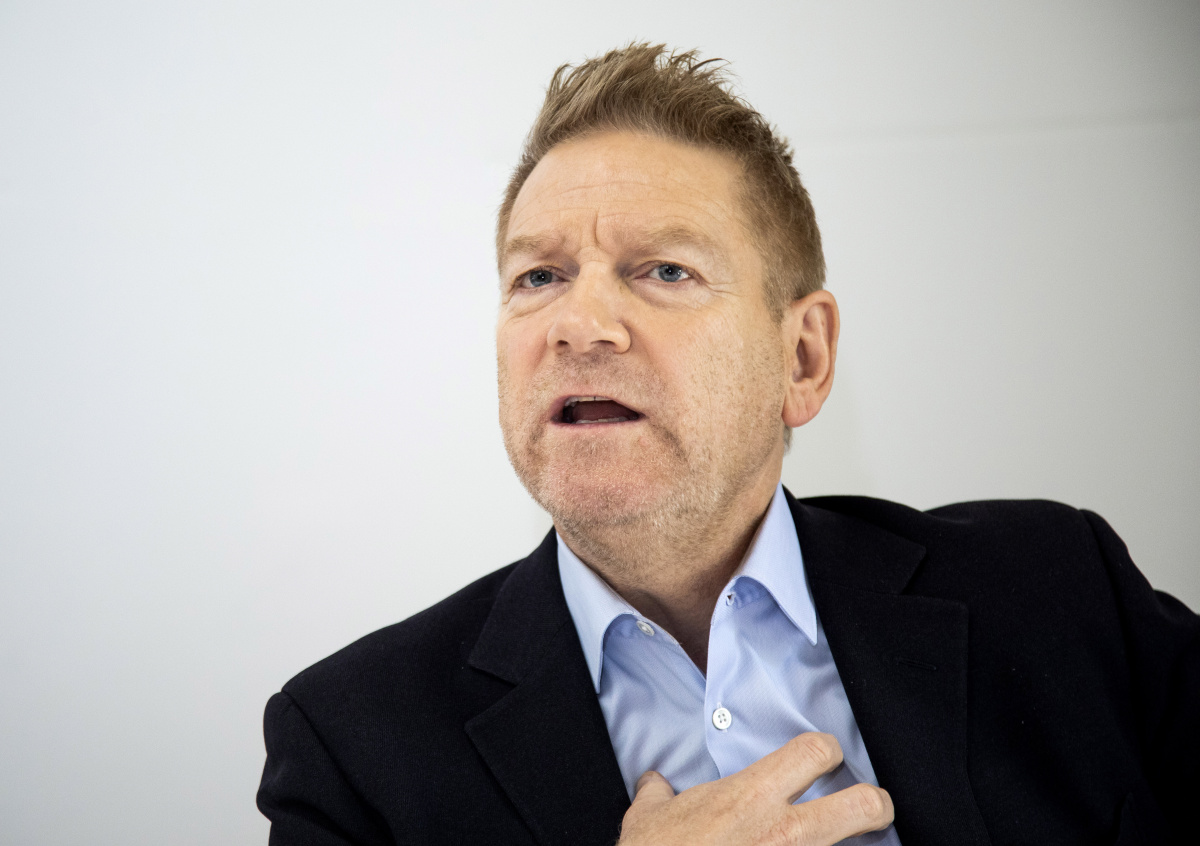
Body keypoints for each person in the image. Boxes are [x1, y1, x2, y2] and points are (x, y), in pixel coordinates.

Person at [256, 44, 1199, 845]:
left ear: (802, 357)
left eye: (665, 270)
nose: (580, 324)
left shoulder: (1061, 593)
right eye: (539, 276)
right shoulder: (351, 747)